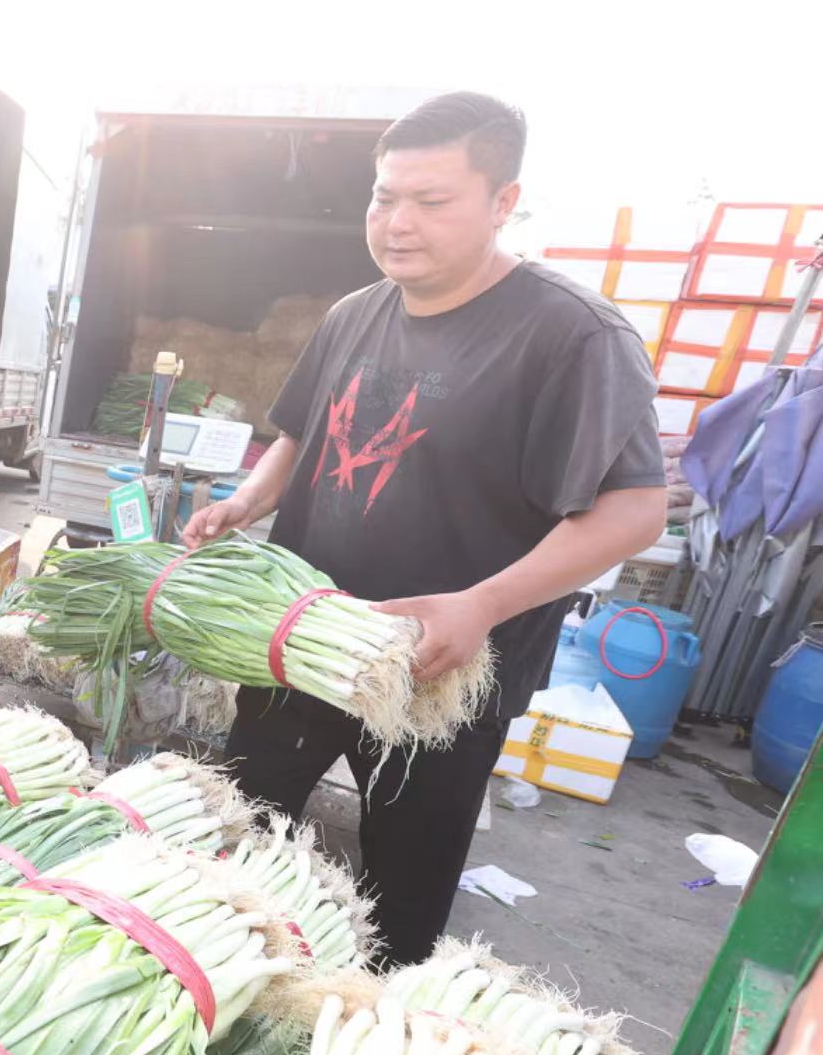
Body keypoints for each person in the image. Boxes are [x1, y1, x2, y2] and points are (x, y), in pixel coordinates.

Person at [180, 92, 667, 967]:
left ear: (503, 201)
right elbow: (299, 432)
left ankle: (368, 1037)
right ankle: (230, 980)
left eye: (430, 201)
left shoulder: (572, 336)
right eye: (383, 196)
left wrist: (480, 605)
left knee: (399, 894)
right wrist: (247, 502)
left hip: (442, 671)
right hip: (308, 634)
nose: (397, 223)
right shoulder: (354, 314)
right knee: (241, 828)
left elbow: (634, 510)